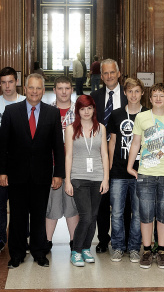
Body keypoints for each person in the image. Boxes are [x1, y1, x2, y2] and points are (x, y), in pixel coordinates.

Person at [0, 73, 65, 269]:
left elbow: (57, 147)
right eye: (31, 88)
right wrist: (1, 171)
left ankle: (39, 252)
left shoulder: (52, 114)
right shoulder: (11, 111)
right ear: (24, 89)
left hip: (42, 176)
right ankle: (16, 254)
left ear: (44, 91)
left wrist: (58, 173)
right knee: (17, 216)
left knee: (38, 215)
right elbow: (3, 145)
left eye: (38, 88)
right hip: (16, 175)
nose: (34, 92)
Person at [127, 83, 164, 269]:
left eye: (161, 96)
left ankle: (162, 251)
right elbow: (135, 143)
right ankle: (147, 250)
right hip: (146, 174)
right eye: (155, 95)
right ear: (150, 99)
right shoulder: (141, 117)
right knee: (146, 213)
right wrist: (130, 166)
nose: (158, 99)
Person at [65, 95, 110, 267]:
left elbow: (104, 154)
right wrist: (67, 180)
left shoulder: (101, 128)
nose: (86, 112)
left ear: (94, 109)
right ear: (78, 110)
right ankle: (76, 250)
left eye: (89, 108)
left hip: (97, 177)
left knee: (93, 216)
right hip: (78, 177)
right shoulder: (70, 129)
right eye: (83, 109)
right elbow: (68, 156)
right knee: (85, 216)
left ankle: (85, 248)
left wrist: (105, 178)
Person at [0, 67, 25, 255]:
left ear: (16, 82)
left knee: (20, 203)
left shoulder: (26, 102)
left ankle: (21, 238)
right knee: (0, 203)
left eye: (11, 81)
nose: (7, 86)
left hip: (20, 163)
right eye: (4, 82)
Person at [108, 78, 147, 263]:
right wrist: (108, 168)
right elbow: (113, 142)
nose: (133, 95)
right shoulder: (116, 115)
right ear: (124, 93)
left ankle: (133, 247)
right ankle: (117, 246)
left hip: (141, 171)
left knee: (138, 212)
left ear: (142, 93)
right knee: (116, 212)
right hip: (118, 172)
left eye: (137, 91)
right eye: (130, 91)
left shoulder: (148, 115)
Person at [90, 58, 128, 253]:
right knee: (102, 200)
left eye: (112, 72)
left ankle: (126, 239)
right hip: (99, 154)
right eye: (105, 73)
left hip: (124, 154)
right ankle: (103, 239)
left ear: (119, 73)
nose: (109, 76)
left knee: (125, 200)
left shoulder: (129, 94)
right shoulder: (94, 96)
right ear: (101, 75)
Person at [45, 76, 79, 252]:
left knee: (72, 204)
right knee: (52, 203)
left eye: (67, 88)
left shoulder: (80, 111)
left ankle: (74, 242)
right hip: (52, 163)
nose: (64, 92)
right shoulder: (47, 110)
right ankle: (47, 241)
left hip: (74, 164)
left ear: (72, 89)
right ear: (54, 90)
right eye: (60, 88)